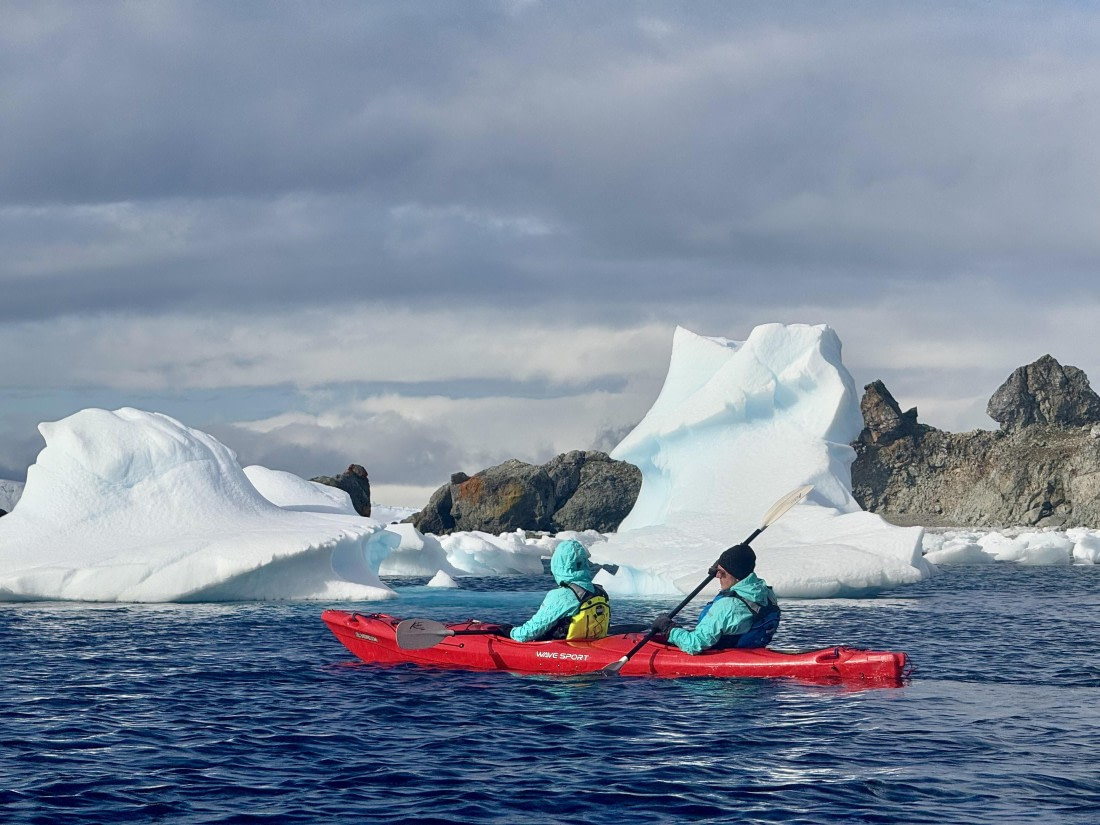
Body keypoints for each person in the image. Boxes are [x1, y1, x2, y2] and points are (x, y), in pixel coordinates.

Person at [651, 543, 779, 654]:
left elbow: (694, 644)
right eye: (717, 570)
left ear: (736, 576)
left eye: (722, 573)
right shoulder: (767, 593)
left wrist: (669, 629)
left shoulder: (727, 606)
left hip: (721, 677)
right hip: (752, 651)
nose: (717, 576)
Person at [506, 539, 611, 642]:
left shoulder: (562, 595)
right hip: (590, 647)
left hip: (561, 650)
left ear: (558, 564)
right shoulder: (600, 592)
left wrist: (510, 632)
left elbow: (530, 632)